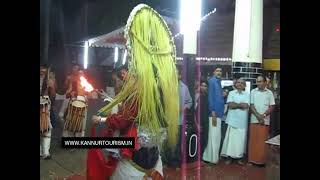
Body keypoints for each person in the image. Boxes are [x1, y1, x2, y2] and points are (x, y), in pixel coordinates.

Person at [87, 4, 179, 179]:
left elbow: (122, 120)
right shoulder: (163, 91)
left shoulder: (140, 93)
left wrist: (101, 120)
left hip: (135, 161)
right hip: (154, 158)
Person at [221, 78, 250, 165]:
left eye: (242, 83)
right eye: (238, 83)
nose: (240, 84)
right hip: (232, 120)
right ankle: (229, 157)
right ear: (236, 84)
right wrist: (240, 105)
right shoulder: (231, 93)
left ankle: (239, 158)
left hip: (242, 120)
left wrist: (236, 105)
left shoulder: (247, 94)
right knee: (230, 140)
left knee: (240, 140)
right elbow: (230, 105)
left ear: (245, 85)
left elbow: (246, 106)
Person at [248, 75, 275, 165]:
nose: (258, 83)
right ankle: (252, 160)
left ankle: (261, 161)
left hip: (265, 121)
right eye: (257, 81)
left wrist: (263, 116)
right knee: (253, 140)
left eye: (260, 81)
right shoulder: (253, 92)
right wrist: (258, 116)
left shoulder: (269, 93)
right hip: (254, 120)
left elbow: (272, 106)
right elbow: (251, 105)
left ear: (265, 82)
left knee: (262, 142)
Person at [203, 67, 224, 164]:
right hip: (214, 113)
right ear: (213, 72)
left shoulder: (218, 82)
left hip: (218, 113)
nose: (219, 72)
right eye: (217, 71)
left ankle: (210, 157)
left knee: (215, 136)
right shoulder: (212, 81)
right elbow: (210, 97)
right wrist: (213, 112)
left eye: (220, 71)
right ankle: (212, 158)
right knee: (214, 136)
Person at [60, 64, 89, 138]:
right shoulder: (71, 80)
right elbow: (66, 91)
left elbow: (88, 92)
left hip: (82, 101)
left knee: (81, 120)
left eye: (81, 73)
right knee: (68, 119)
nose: (75, 70)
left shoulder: (85, 81)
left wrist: (86, 97)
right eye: (74, 68)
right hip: (73, 101)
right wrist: (70, 93)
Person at [40, 65, 56, 159]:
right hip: (43, 105)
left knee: (46, 129)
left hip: (45, 106)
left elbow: (53, 95)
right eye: (41, 68)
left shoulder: (49, 80)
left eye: (44, 68)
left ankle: (45, 152)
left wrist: (51, 86)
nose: (42, 70)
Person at [195, 81, 209, 158]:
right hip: (198, 121)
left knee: (204, 140)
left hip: (206, 121)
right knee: (198, 141)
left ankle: (201, 157)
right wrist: (196, 124)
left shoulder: (207, 96)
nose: (203, 87)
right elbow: (194, 111)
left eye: (205, 86)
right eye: (202, 85)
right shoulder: (197, 96)